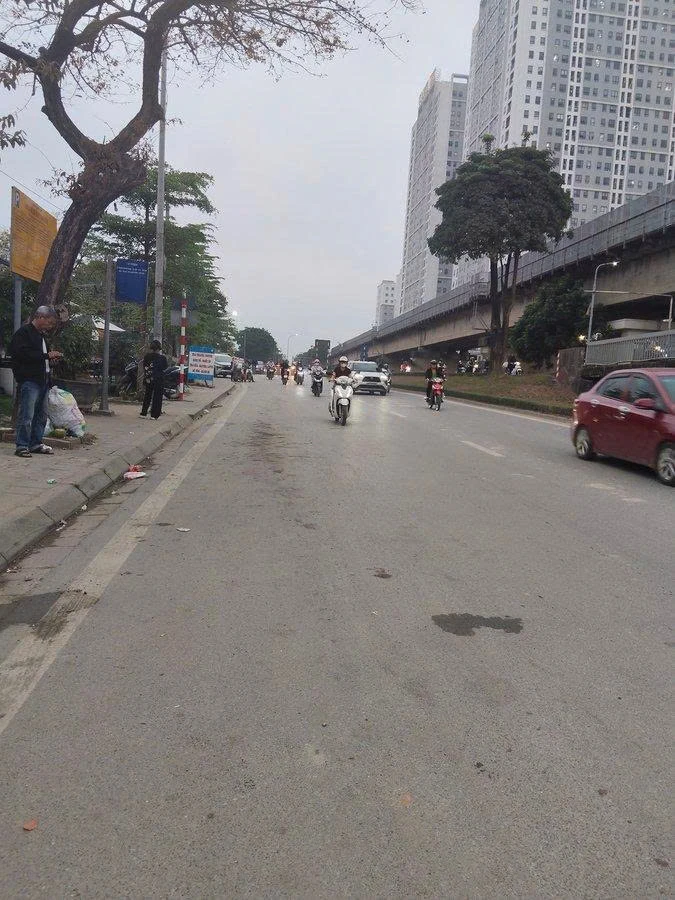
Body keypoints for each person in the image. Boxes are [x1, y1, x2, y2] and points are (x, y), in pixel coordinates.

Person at [8, 306, 62, 458]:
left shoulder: (41, 336)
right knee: (27, 415)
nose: (50, 326)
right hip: (30, 380)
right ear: (40, 317)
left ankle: (35, 443)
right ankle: (21, 445)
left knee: (41, 415)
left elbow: (42, 358)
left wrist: (51, 361)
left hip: (43, 379)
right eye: (49, 322)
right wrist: (46, 356)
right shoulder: (24, 333)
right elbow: (23, 355)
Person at [140, 340, 168, 419]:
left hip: (149, 379)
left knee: (147, 395)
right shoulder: (162, 358)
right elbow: (165, 367)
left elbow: (144, 366)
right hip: (158, 379)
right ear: (159, 348)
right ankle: (154, 415)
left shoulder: (147, 356)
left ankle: (143, 413)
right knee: (157, 397)